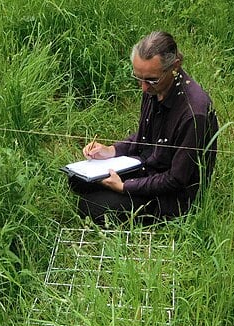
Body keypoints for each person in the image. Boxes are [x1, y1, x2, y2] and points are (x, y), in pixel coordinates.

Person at [69, 31, 219, 225]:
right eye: (138, 78)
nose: (143, 88)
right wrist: (110, 151)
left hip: (171, 193)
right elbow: (143, 137)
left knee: (90, 207)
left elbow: (176, 179)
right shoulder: (155, 86)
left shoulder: (193, 112)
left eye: (150, 80)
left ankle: (126, 201)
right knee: (77, 179)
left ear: (175, 66)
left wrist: (125, 187)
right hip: (147, 166)